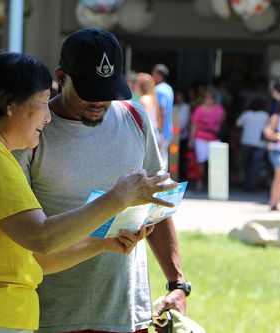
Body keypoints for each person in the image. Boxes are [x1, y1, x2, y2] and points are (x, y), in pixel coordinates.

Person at [0, 51, 177, 333]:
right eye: (40, 103)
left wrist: (103, 244)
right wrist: (118, 197)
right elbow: (41, 237)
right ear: (8, 103)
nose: (48, 116)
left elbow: (35, 260)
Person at [15, 28, 189, 333]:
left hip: (126, 313)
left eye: (107, 90)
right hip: (51, 316)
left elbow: (158, 205)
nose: (99, 100)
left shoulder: (135, 118)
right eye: (89, 90)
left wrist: (177, 283)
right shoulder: (31, 132)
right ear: (61, 76)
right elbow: (22, 234)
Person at [189, 87, 225, 191]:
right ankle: (200, 181)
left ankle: (215, 184)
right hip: (201, 137)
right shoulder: (199, 109)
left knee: (217, 162)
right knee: (200, 161)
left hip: (214, 137)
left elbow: (222, 122)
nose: (209, 100)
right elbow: (194, 125)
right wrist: (191, 139)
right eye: (207, 98)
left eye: (210, 98)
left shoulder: (219, 109)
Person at [263, 95, 280, 211]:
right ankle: (274, 201)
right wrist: (277, 136)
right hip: (277, 150)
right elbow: (267, 131)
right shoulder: (277, 117)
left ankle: (276, 201)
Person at [236, 97, 269, 191]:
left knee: (245, 164)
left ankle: (246, 184)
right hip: (259, 143)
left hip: (246, 142)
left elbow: (238, 124)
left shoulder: (246, 114)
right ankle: (253, 185)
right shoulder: (265, 115)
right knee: (256, 165)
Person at [152, 64, 174, 169]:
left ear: (160, 75)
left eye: (154, 74)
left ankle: (160, 183)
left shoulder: (158, 90)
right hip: (168, 129)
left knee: (158, 161)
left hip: (162, 130)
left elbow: (162, 111)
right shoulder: (169, 88)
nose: (153, 77)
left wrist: (159, 131)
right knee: (164, 158)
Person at [136, 72, 162, 145]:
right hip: (155, 133)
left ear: (141, 86)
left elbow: (145, 120)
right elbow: (158, 118)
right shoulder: (152, 98)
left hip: (147, 136)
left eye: (137, 83)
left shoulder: (144, 99)